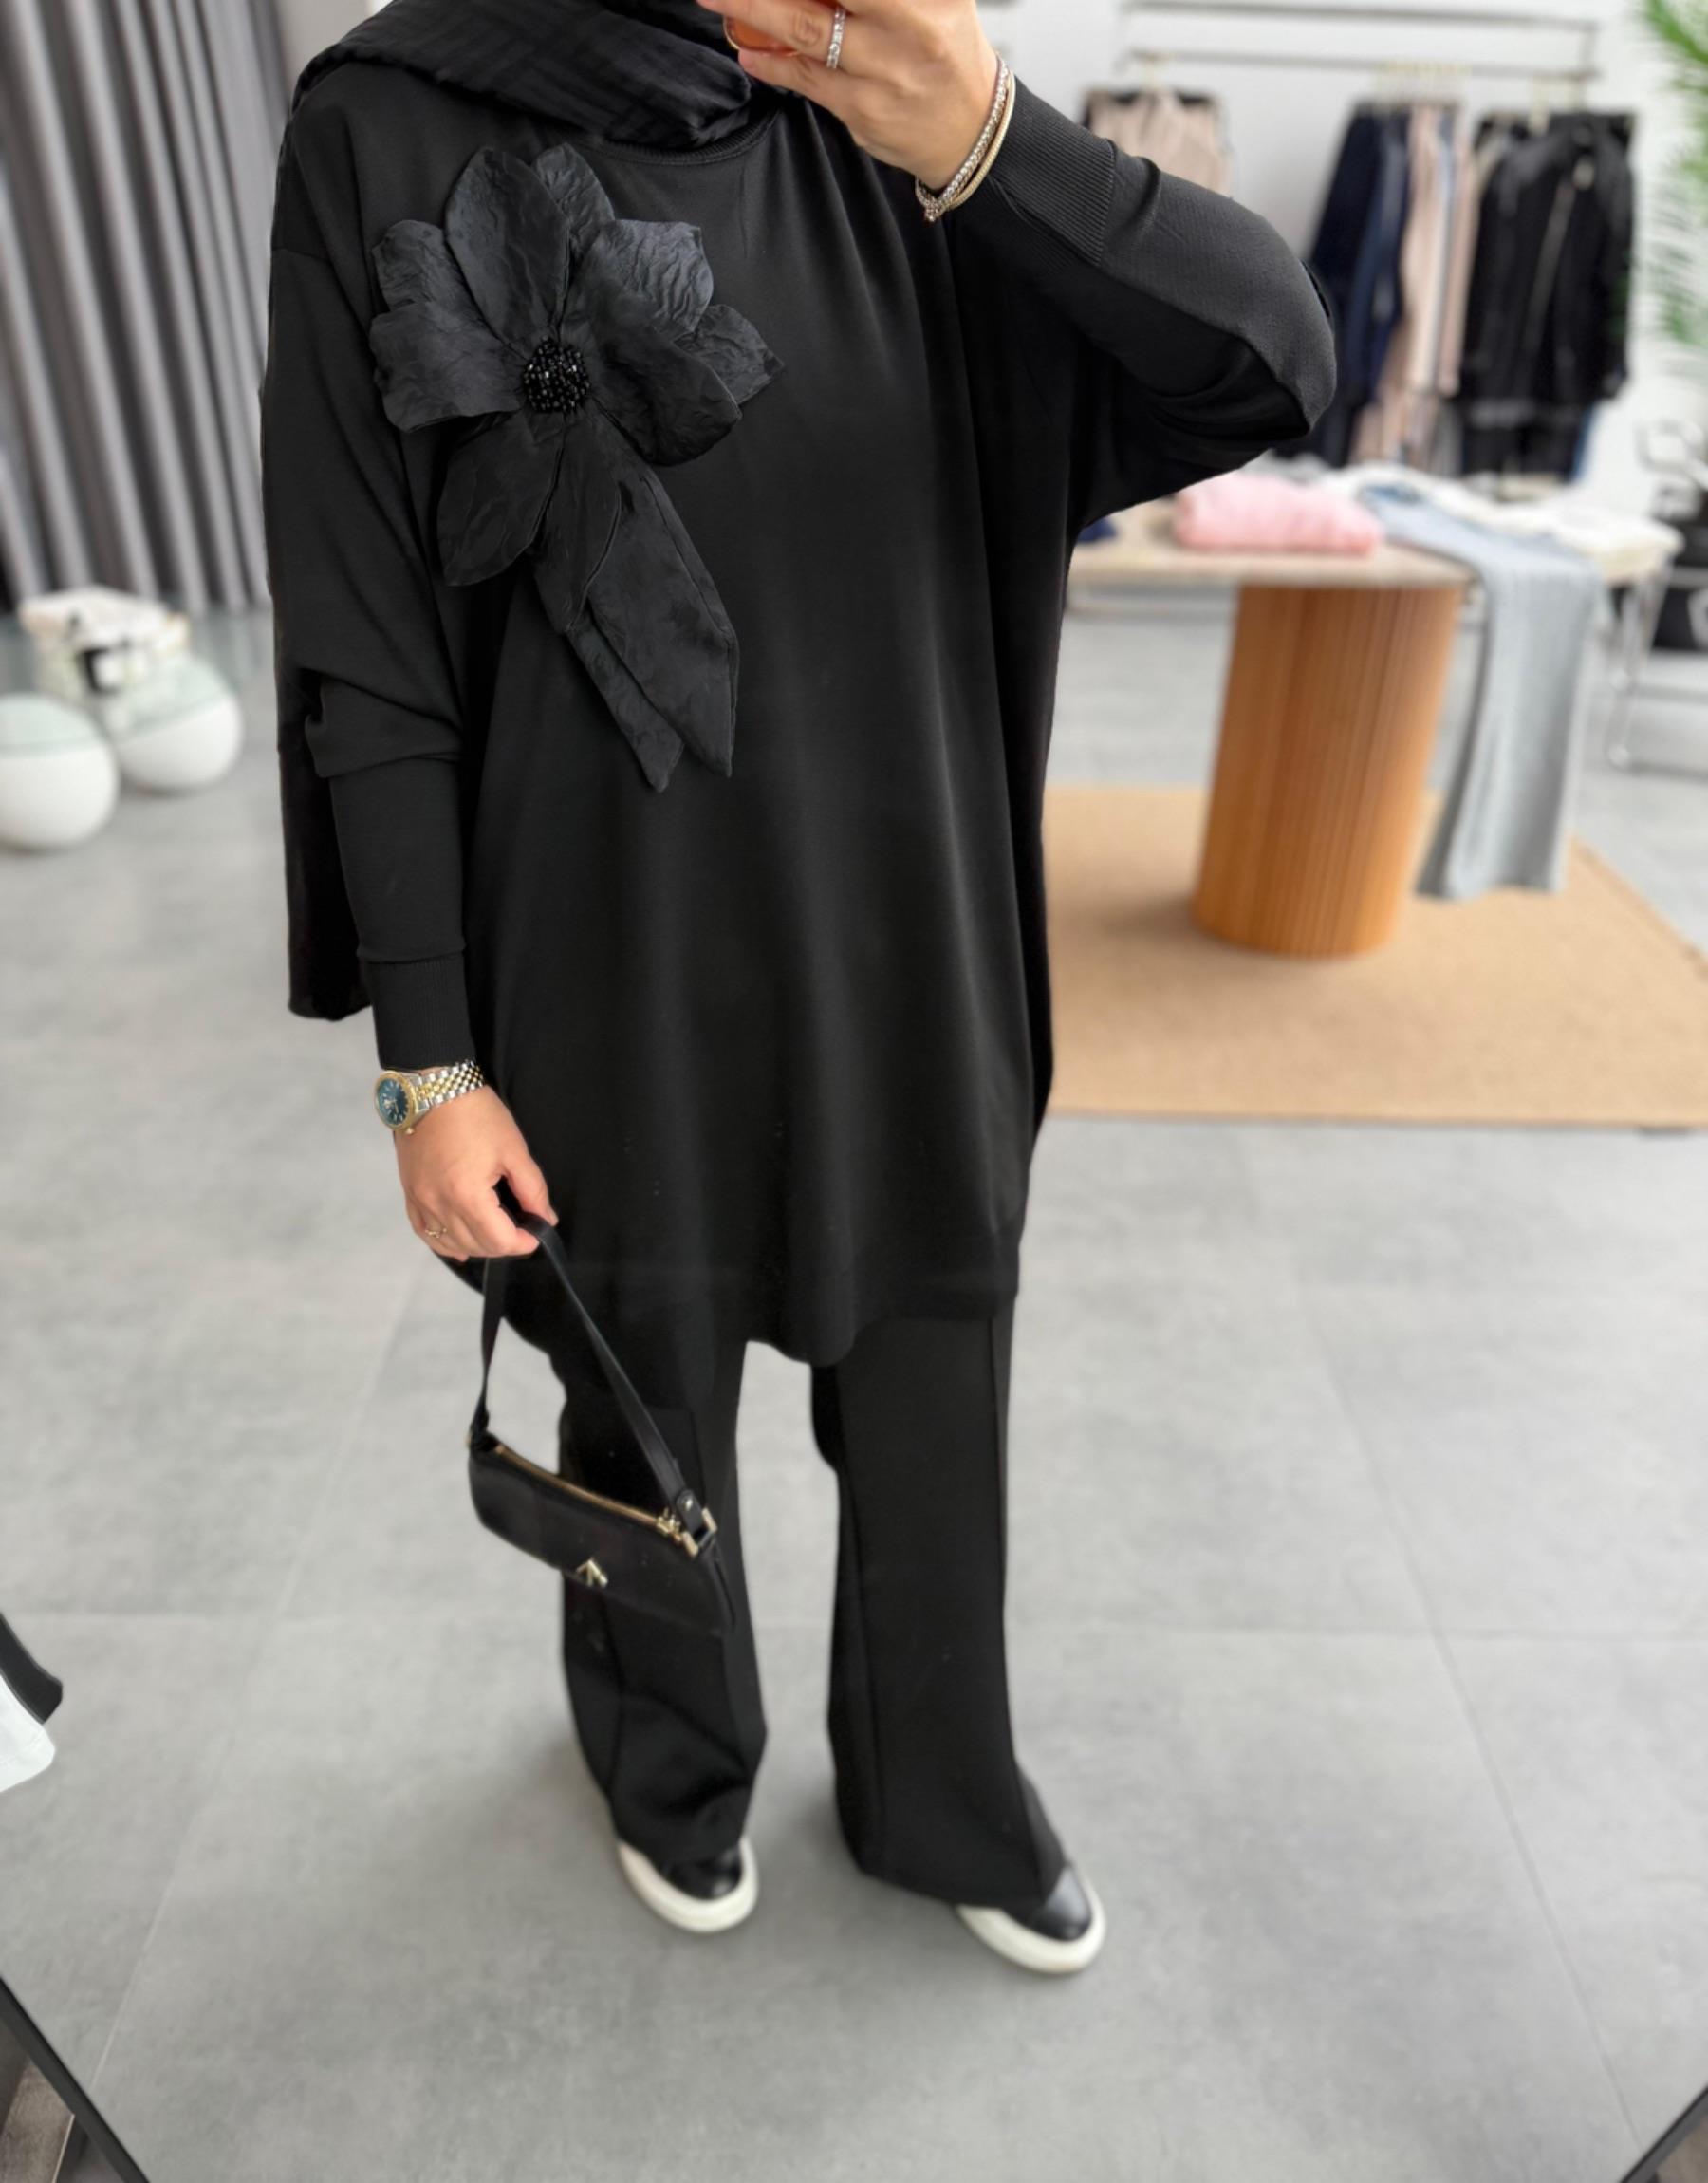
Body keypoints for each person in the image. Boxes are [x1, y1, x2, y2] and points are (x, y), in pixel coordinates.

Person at [261, 0, 1336, 1975]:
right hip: (599, 968)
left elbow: (1275, 353)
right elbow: (367, 635)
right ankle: (669, 1764)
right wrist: (428, 1059)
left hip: (913, 945)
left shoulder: (900, 108)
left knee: (935, 1400)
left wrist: (996, 135)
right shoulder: (388, 116)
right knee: (641, 1407)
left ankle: (945, 1792)